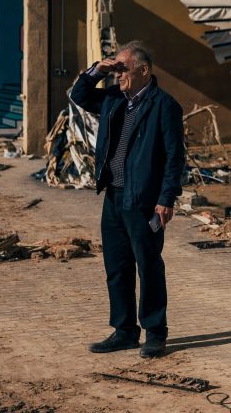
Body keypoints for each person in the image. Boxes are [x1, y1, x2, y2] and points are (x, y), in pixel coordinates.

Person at [70, 41, 184, 358]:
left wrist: (166, 199)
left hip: (145, 200)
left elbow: (175, 158)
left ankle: (155, 334)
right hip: (114, 197)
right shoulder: (112, 100)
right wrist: (97, 70)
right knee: (117, 267)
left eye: (123, 68)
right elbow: (78, 96)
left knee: (148, 267)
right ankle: (124, 331)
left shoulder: (164, 106)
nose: (118, 74)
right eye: (116, 68)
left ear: (143, 69)